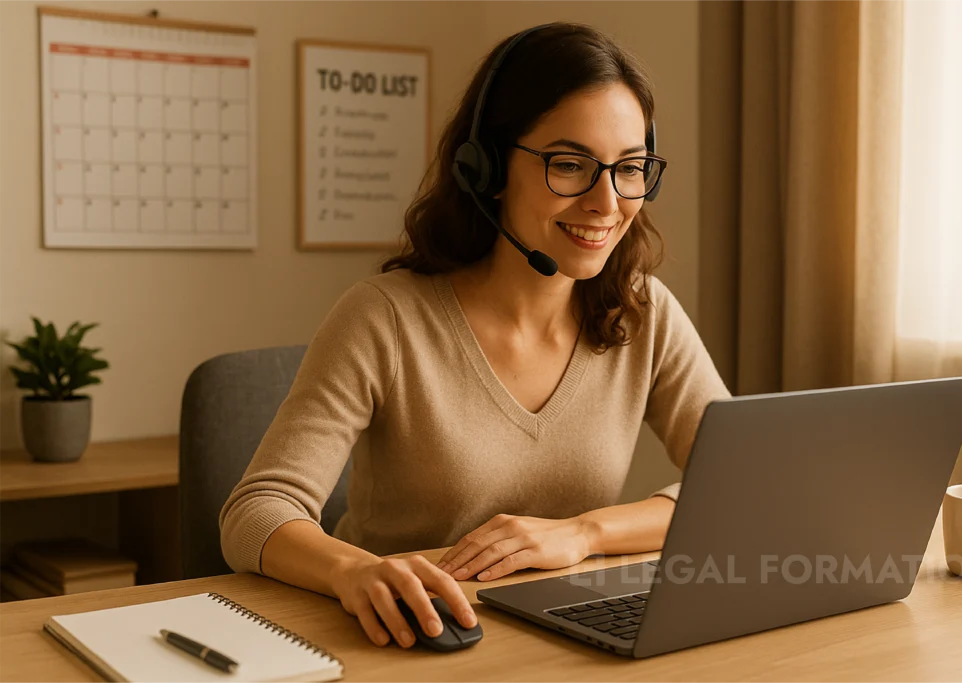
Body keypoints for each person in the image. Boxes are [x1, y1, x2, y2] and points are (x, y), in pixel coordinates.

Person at [220, 22, 729, 650]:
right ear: (485, 165)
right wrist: (353, 571)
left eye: (629, 168)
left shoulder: (641, 311)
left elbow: (738, 485)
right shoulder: (384, 318)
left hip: (564, 638)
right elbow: (255, 512)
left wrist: (585, 533)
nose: (607, 202)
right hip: (407, 639)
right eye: (570, 165)